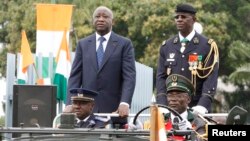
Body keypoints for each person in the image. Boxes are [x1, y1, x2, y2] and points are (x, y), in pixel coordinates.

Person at [66, 6, 136, 128]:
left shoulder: (124, 44)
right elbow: (75, 77)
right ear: (93, 21)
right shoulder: (83, 44)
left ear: (112, 21)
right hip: (87, 112)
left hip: (114, 112)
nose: (101, 19)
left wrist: (125, 102)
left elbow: (129, 76)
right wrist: (69, 103)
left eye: (105, 16)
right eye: (97, 16)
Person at [156, 3, 219, 115]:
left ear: (193, 19)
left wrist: (203, 105)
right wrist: (162, 104)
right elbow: (161, 77)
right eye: (177, 17)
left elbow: (210, 78)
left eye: (183, 17)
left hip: (197, 108)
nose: (179, 20)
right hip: (171, 107)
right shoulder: (167, 46)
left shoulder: (207, 46)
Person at [163, 74, 207, 141]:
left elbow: (203, 139)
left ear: (188, 99)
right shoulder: (160, 120)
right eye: (170, 95)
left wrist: (190, 134)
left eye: (178, 96)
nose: (173, 99)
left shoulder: (198, 122)